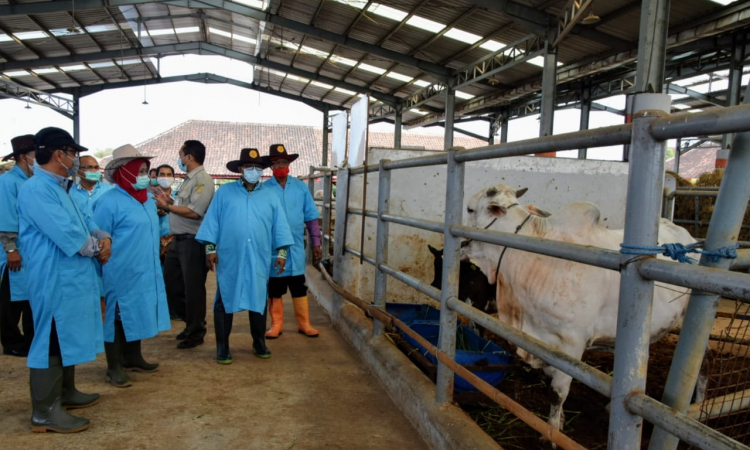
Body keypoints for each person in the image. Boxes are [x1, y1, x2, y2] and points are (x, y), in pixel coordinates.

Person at [17, 127, 110, 433]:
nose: (77, 160)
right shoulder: (37, 190)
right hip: (54, 278)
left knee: (66, 334)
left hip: (71, 277)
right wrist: (97, 248)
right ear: (60, 155)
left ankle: (65, 393)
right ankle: (44, 411)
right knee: (52, 340)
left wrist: (102, 236)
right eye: (74, 154)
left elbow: (85, 225)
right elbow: (70, 237)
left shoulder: (61, 188)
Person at [196, 148, 293, 364]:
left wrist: (282, 252)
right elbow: (212, 221)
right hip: (230, 256)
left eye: (258, 168)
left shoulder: (271, 195)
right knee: (224, 298)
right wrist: (210, 249)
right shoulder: (225, 193)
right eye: (250, 167)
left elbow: (280, 226)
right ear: (240, 169)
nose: (254, 171)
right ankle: (223, 346)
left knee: (258, 298)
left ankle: (259, 341)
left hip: (259, 255)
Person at [95, 145, 171, 387]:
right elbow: (99, 236)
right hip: (120, 270)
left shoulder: (148, 201)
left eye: (145, 171)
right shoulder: (108, 201)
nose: (144, 176)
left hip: (145, 269)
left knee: (139, 311)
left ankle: (133, 356)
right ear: (124, 172)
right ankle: (114, 366)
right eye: (138, 170)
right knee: (117, 318)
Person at [154, 140, 215, 349]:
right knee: (172, 284)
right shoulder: (188, 180)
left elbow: (194, 212)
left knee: (193, 289)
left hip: (193, 241)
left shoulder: (203, 180)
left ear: (189, 157)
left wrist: (167, 208)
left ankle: (196, 331)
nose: (179, 158)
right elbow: (183, 205)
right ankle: (190, 324)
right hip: (178, 240)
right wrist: (169, 201)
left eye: (181, 154)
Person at [263, 144, 321, 339]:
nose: (281, 165)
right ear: (271, 167)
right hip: (273, 247)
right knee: (275, 287)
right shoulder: (264, 189)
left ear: (289, 164)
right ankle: (276, 324)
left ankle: (304, 323)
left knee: (298, 285)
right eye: (277, 162)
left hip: (295, 247)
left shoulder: (300, 186)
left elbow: (311, 216)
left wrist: (316, 242)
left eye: (284, 162)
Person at [0, 135, 36, 357]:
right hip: (14, 250)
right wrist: (11, 248)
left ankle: (30, 340)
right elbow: (6, 215)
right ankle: (11, 341)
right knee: (10, 300)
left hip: (31, 250)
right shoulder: (8, 181)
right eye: (36, 155)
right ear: (23, 157)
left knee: (29, 298)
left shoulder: (32, 180)